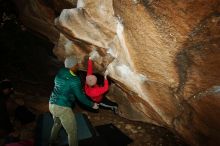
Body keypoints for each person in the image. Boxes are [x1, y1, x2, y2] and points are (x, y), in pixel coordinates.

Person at [49, 56, 99, 146]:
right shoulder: (74, 80)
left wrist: (75, 92)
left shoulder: (60, 72)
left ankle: (52, 141)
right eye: (76, 65)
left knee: (57, 123)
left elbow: (64, 86)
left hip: (52, 104)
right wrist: (92, 105)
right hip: (62, 107)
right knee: (72, 132)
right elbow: (80, 97)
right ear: (72, 66)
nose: (78, 66)